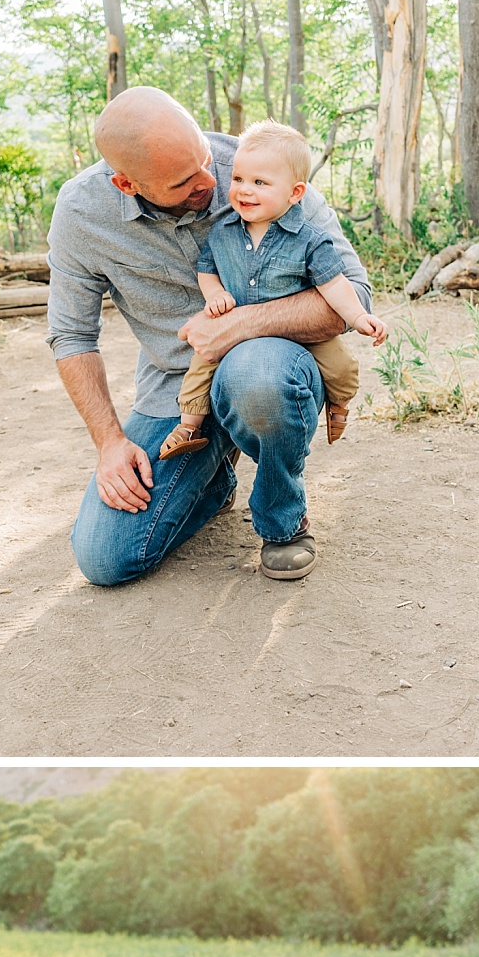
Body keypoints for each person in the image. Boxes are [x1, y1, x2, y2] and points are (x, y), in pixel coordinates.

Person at [47, 86, 373, 586]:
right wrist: (110, 443)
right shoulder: (82, 212)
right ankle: (213, 475)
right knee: (106, 558)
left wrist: (236, 326)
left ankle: (284, 520)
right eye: (183, 181)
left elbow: (354, 296)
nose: (212, 181)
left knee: (257, 376)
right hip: (178, 391)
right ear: (126, 183)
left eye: (204, 160)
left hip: (274, 365)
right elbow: (71, 336)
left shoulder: (262, 166)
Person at [160, 121, 385, 465]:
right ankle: (189, 427)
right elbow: (206, 268)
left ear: (295, 193)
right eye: (238, 180)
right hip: (232, 324)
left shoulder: (309, 238)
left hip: (297, 331)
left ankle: (338, 405)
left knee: (341, 365)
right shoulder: (223, 232)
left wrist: (358, 316)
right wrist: (215, 293)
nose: (244, 190)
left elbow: (333, 283)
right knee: (201, 364)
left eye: (260, 183)